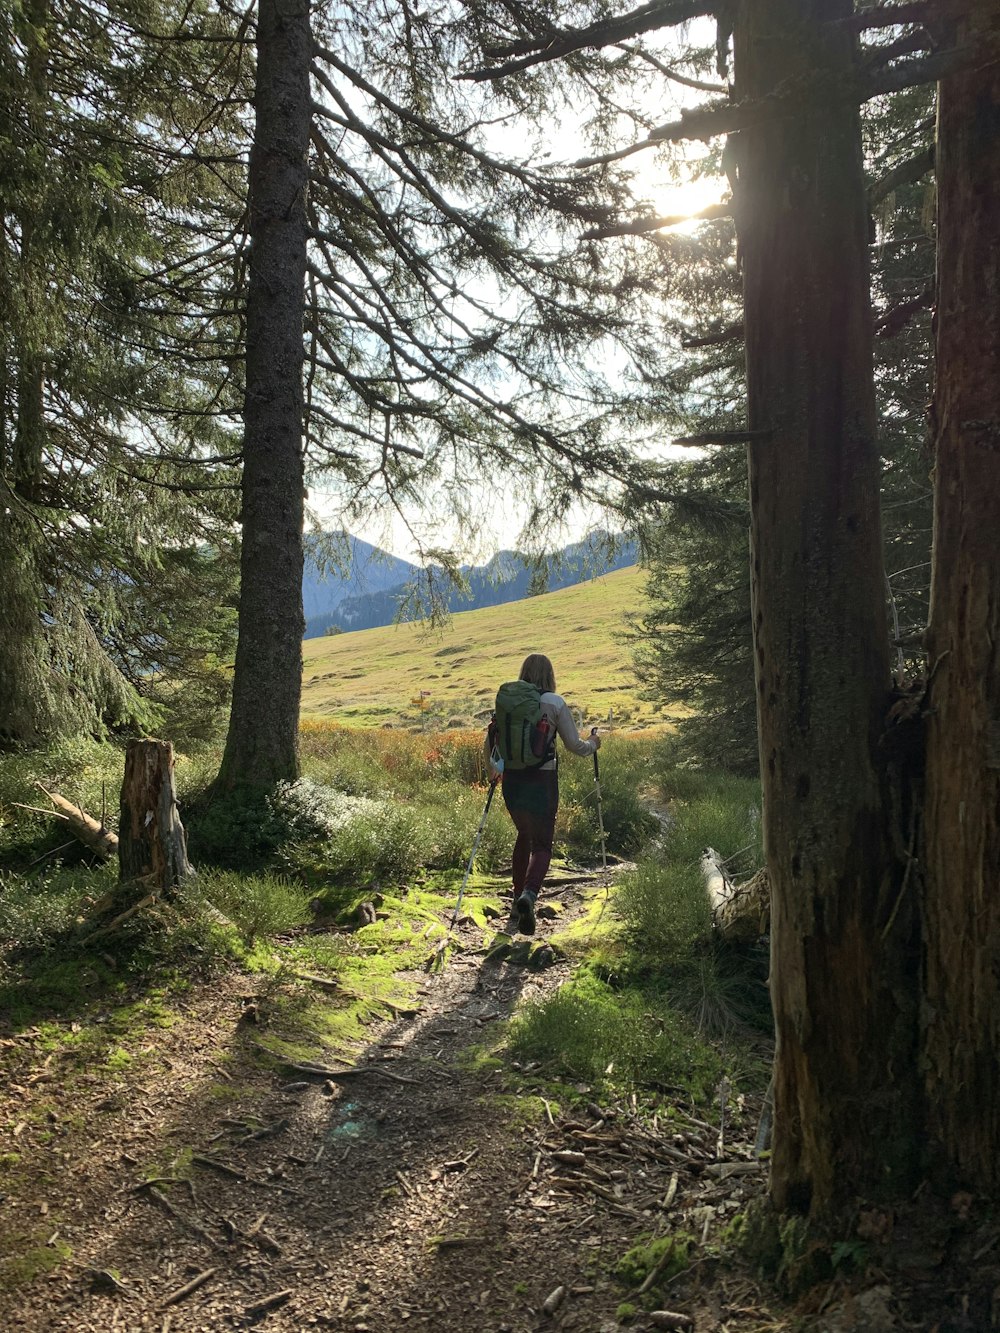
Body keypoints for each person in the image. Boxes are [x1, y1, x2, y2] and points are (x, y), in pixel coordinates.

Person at [490, 653, 600, 936]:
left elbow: (493, 741)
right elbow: (575, 746)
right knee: (542, 844)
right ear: (549, 674)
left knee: (523, 835)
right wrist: (594, 744)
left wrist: (495, 771)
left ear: (523, 672)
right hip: (543, 780)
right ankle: (529, 894)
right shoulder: (554, 702)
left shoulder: (508, 702)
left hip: (512, 781)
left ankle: (517, 901)